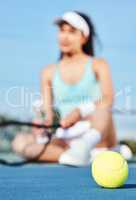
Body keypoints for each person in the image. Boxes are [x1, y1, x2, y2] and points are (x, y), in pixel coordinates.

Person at [12, 11, 117, 166]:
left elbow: (108, 99)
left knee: (103, 112)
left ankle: (85, 148)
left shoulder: (98, 64)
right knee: (20, 142)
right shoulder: (47, 72)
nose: (64, 37)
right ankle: (74, 156)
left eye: (72, 32)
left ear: (84, 37)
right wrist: (43, 123)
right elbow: (47, 113)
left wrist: (79, 112)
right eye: (62, 31)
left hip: (97, 131)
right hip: (66, 135)